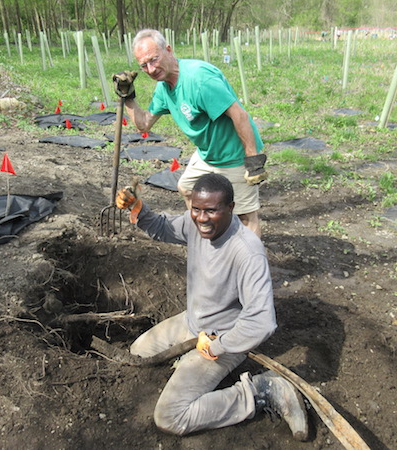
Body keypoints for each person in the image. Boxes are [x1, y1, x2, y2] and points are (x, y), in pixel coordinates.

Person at [115, 173, 308, 439]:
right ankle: (188, 360)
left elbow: (261, 321)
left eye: (211, 211)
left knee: (171, 416)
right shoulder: (195, 224)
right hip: (192, 323)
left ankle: (261, 391)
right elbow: (163, 228)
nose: (202, 218)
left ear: (231, 208)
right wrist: (137, 207)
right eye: (196, 209)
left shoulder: (247, 252)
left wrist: (217, 346)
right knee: (137, 355)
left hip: (223, 337)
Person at [113, 29, 268, 238]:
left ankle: (251, 265)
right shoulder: (164, 88)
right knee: (187, 188)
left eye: (154, 59)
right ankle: (209, 238)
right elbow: (144, 124)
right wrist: (128, 97)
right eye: (144, 65)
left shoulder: (199, 79)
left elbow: (239, 115)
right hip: (208, 154)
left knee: (246, 217)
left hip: (234, 154)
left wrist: (252, 158)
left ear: (168, 50)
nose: (150, 69)